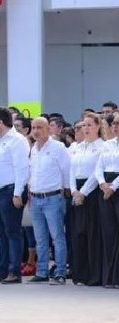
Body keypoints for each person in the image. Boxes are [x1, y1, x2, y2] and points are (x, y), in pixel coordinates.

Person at [0, 107, 30, 284]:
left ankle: (14, 271)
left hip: (9, 191)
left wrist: (18, 193)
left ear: (0, 122)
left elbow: (21, 168)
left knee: (12, 232)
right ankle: (0, 270)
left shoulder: (17, 140)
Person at [27, 117, 70, 285]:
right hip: (36, 198)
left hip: (52, 198)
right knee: (40, 238)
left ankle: (60, 272)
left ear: (48, 129)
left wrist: (66, 189)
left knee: (57, 237)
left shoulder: (58, 147)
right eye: (33, 127)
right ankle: (42, 271)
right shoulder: (34, 149)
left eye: (40, 127)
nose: (36, 131)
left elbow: (66, 170)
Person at [70, 115, 104, 286]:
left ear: (98, 126)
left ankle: (93, 274)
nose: (86, 128)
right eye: (84, 125)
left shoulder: (101, 147)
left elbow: (96, 173)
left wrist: (83, 192)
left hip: (91, 192)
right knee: (78, 233)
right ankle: (80, 273)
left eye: (90, 125)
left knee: (92, 233)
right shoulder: (78, 147)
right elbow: (72, 169)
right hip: (77, 191)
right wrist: (74, 190)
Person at [96, 117, 119, 288]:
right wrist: (103, 184)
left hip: (116, 186)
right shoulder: (107, 144)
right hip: (105, 187)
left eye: (118, 124)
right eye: (114, 124)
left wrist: (114, 187)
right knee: (109, 232)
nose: (115, 127)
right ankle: (109, 277)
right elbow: (98, 167)